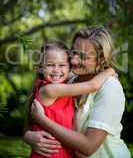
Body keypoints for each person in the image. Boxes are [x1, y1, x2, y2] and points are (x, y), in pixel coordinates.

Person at [25, 26, 131, 158]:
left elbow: (88, 147)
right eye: (73, 52)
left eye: (83, 56)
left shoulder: (109, 87)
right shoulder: (69, 81)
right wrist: (28, 135)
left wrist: (43, 121)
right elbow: (35, 110)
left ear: (101, 59)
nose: (74, 60)